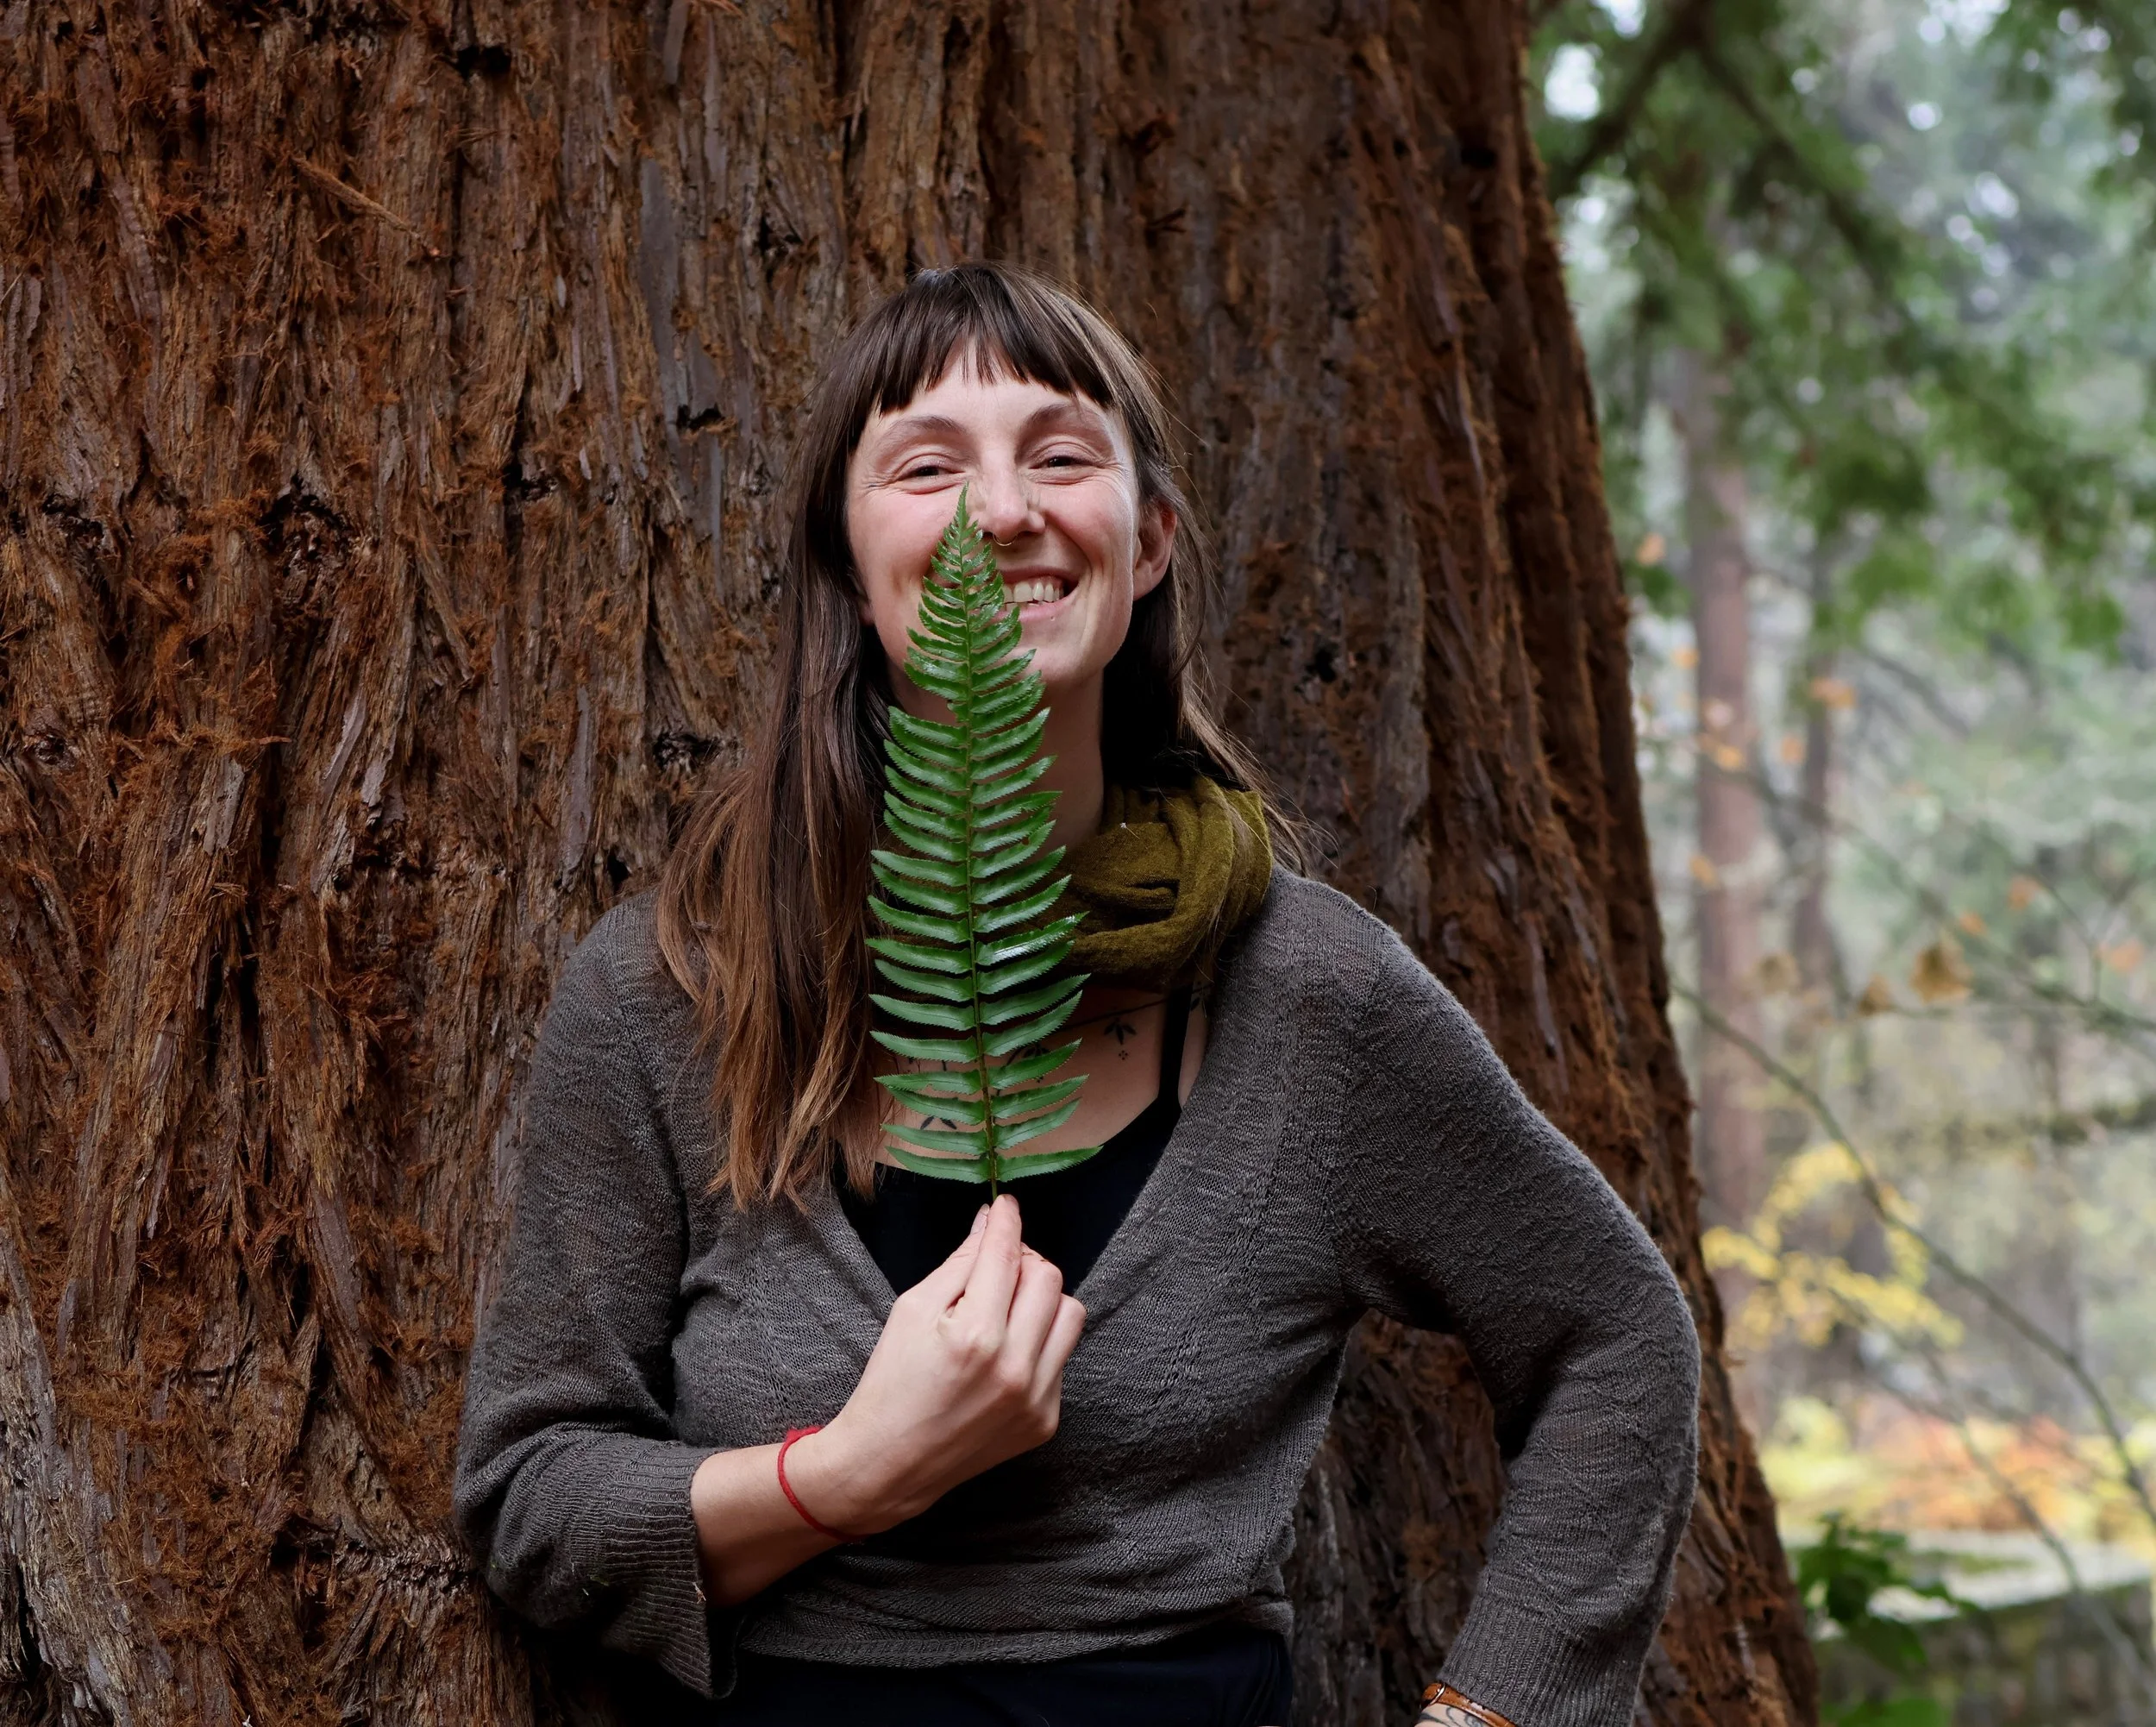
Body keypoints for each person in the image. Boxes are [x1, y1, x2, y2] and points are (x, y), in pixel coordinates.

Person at [454, 263, 1701, 1727]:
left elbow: (1615, 1331)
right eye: (928, 466)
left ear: (1150, 539)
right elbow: (529, 1484)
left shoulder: (1307, 999)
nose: (1003, 512)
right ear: (850, 563)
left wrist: (1498, 1718)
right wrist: (850, 1472)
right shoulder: (673, 987)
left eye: (1060, 453)